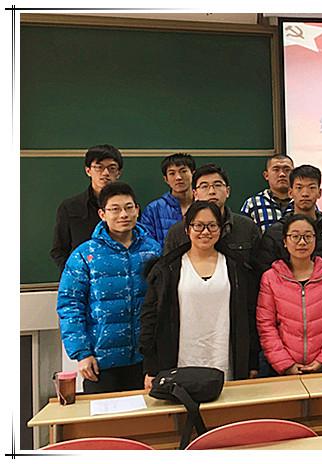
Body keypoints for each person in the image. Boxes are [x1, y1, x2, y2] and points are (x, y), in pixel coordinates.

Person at [140, 201, 260, 387]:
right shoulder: (167, 269)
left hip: (225, 362)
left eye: (212, 226)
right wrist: (151, 367)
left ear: (220, 229)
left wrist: (252, 361)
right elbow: (151, 317)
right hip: (179, 362)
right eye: (198, 225)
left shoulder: (236, 268)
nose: (205, 232)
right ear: (187, 229)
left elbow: (249, 315)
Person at [56, 182, 161, 393]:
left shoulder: (153, 250)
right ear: (102, 214)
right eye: (115, 209)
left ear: (137, 210)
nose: (123, 214)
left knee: (148, 414)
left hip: (146, 360)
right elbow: (70, 304)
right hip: (101, 362)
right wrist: (82, 353)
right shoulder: (85, 255)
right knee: (104, 414)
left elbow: (163, 302)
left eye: (129, 207)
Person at [255, 214, 322, 375]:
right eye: (295, 236)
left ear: (316, 240)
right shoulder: (271, 278)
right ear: (285, 241)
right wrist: (285, 364)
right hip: (280, 368)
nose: (302, 242)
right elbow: (266, 325)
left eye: (308, 236)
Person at [163, 164, 260, 268]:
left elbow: (257, 269)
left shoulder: (247, 227)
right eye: (204, 186)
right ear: (195, 194)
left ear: (227, 191)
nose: (212, 191)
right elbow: (168, 271)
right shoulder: (178, 232)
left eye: (217, 185)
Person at [255, 165, 322, 270]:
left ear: (319, 193)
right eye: (299, 188)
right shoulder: (275, 232)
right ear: (290, 192)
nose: (305, 194)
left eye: (311, 188)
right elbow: (265, 270)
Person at [51, 144, 124, 272]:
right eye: (99, 167)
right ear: (88, 171)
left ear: (119, 173)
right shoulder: (70, 207)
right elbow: (59, 251)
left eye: (112, 168)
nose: (105, 173)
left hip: (119, 276)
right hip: (82, 277)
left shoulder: (127, 208)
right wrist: (74, 274)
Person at [139, 153, 196, 246]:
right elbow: (147, 244)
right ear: (166, 179)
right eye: (172, 173)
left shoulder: (204, 206)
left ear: (192, 174)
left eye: (183, 171)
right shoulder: (153, 209)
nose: (178, 177)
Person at [241, 154, 295, 233]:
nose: (282, 174)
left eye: (287, 170)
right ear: (266, 175)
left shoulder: (302, 201)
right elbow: (243, 235)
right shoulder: (252, 203)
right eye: (276, 170)